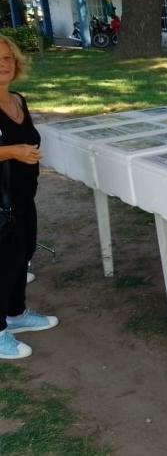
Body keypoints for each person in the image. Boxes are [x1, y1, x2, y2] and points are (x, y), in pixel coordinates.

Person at [0, 35, 58, 361]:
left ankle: (16, 314)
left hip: (23, 199)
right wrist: (11, 151)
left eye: (7, 58)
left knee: (22, 255)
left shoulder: (18, 100)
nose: (3, 65)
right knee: (3, 264)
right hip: (0, 204)